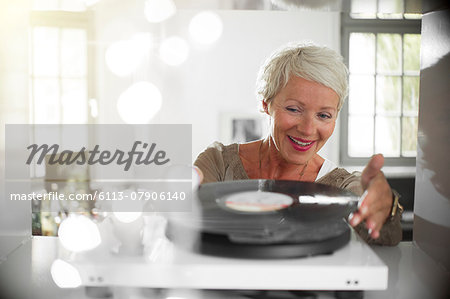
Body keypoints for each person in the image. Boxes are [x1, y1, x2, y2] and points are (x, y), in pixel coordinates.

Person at [194, 42, 402, 246]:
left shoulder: (341, 185)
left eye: (324, 115)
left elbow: (386, 237)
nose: (308, 130)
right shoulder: (218, 162)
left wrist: (384, 206)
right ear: (266, 104)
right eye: (294, 109)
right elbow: (190, 227)